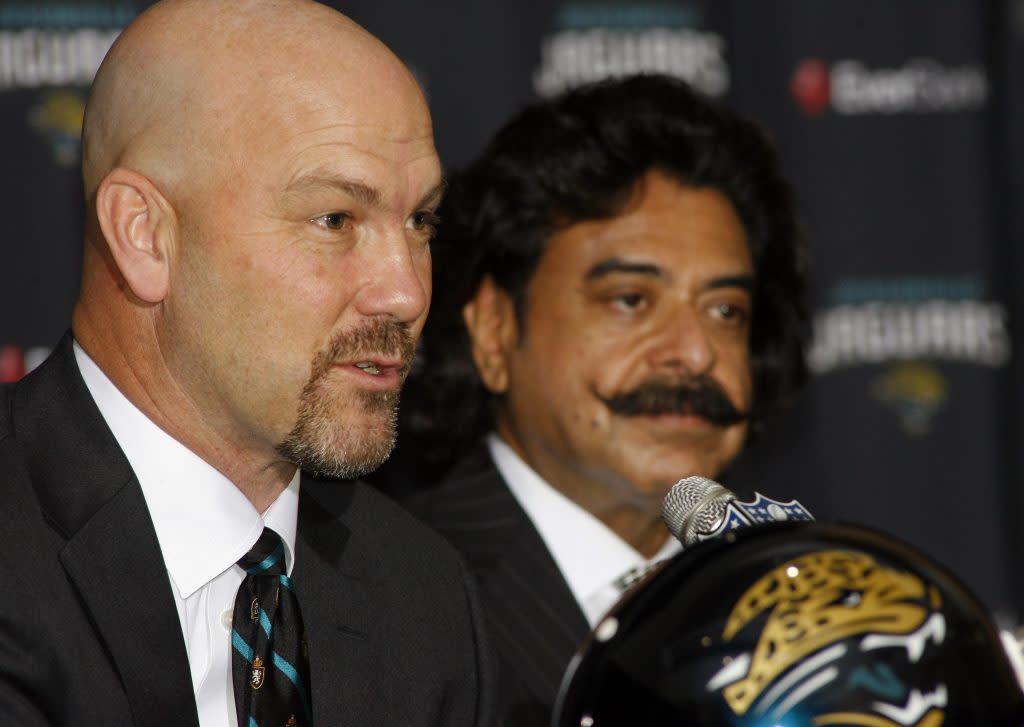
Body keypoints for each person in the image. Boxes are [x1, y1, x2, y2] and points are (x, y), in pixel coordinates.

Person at [0, 1, 492, 725]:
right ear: (145, 236)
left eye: (420, 221)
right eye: (335, 220)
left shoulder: (425, 597)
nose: (408, 291)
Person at [392, 74, 809, 724]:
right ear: (495, 331)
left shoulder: (800, 586)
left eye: (726, 310)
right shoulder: (389, 594)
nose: (696, 353)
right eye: (631, 300)